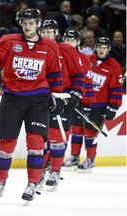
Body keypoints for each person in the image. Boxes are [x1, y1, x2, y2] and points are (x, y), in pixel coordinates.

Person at [0, 8, 63, 203]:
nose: (27, 26)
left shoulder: (50, 46)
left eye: (31, 22)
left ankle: (32, 184)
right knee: (5, 145)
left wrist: (59, 98)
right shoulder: (8, 41)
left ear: (38, 24)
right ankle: (0, 183)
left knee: (36, 143)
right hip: (12, 98)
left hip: (38, 99)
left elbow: (55, 75)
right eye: (24, 22)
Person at [39, 20, 85, 191]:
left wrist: (76, 94)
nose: (46, 35)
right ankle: (41, 170)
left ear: (56, 34)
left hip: (62, 98)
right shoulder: (36, 50)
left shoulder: (66, 50)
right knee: (41, 140)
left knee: (57, 139)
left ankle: (55, 172)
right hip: (41, 98)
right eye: (43, 31)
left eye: (50, 32)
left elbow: (79, 75)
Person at [72, 37, 122, 170]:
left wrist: (113, 106)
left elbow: (116, 87)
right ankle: (74, 157)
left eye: (104, 47)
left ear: (109, 49)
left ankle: (90, 159)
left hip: (99, 106)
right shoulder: (88, 59)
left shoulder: (114, 66)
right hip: (83, 102)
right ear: (96, 47)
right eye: (99, 46)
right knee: (76, 130)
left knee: (90, 132)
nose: (101, 49)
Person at [62, 30, 95, 168]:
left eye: (73, 40)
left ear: (77, 42)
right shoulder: (57, 53)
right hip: (60, 97)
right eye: (68, 39)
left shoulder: (83, 58)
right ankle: (55, 160)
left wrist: (86, 101)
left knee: (71, 130)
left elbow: (87, 81)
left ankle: (73, 157)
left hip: (76, 99)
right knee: (61, 131)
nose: (70, 42)